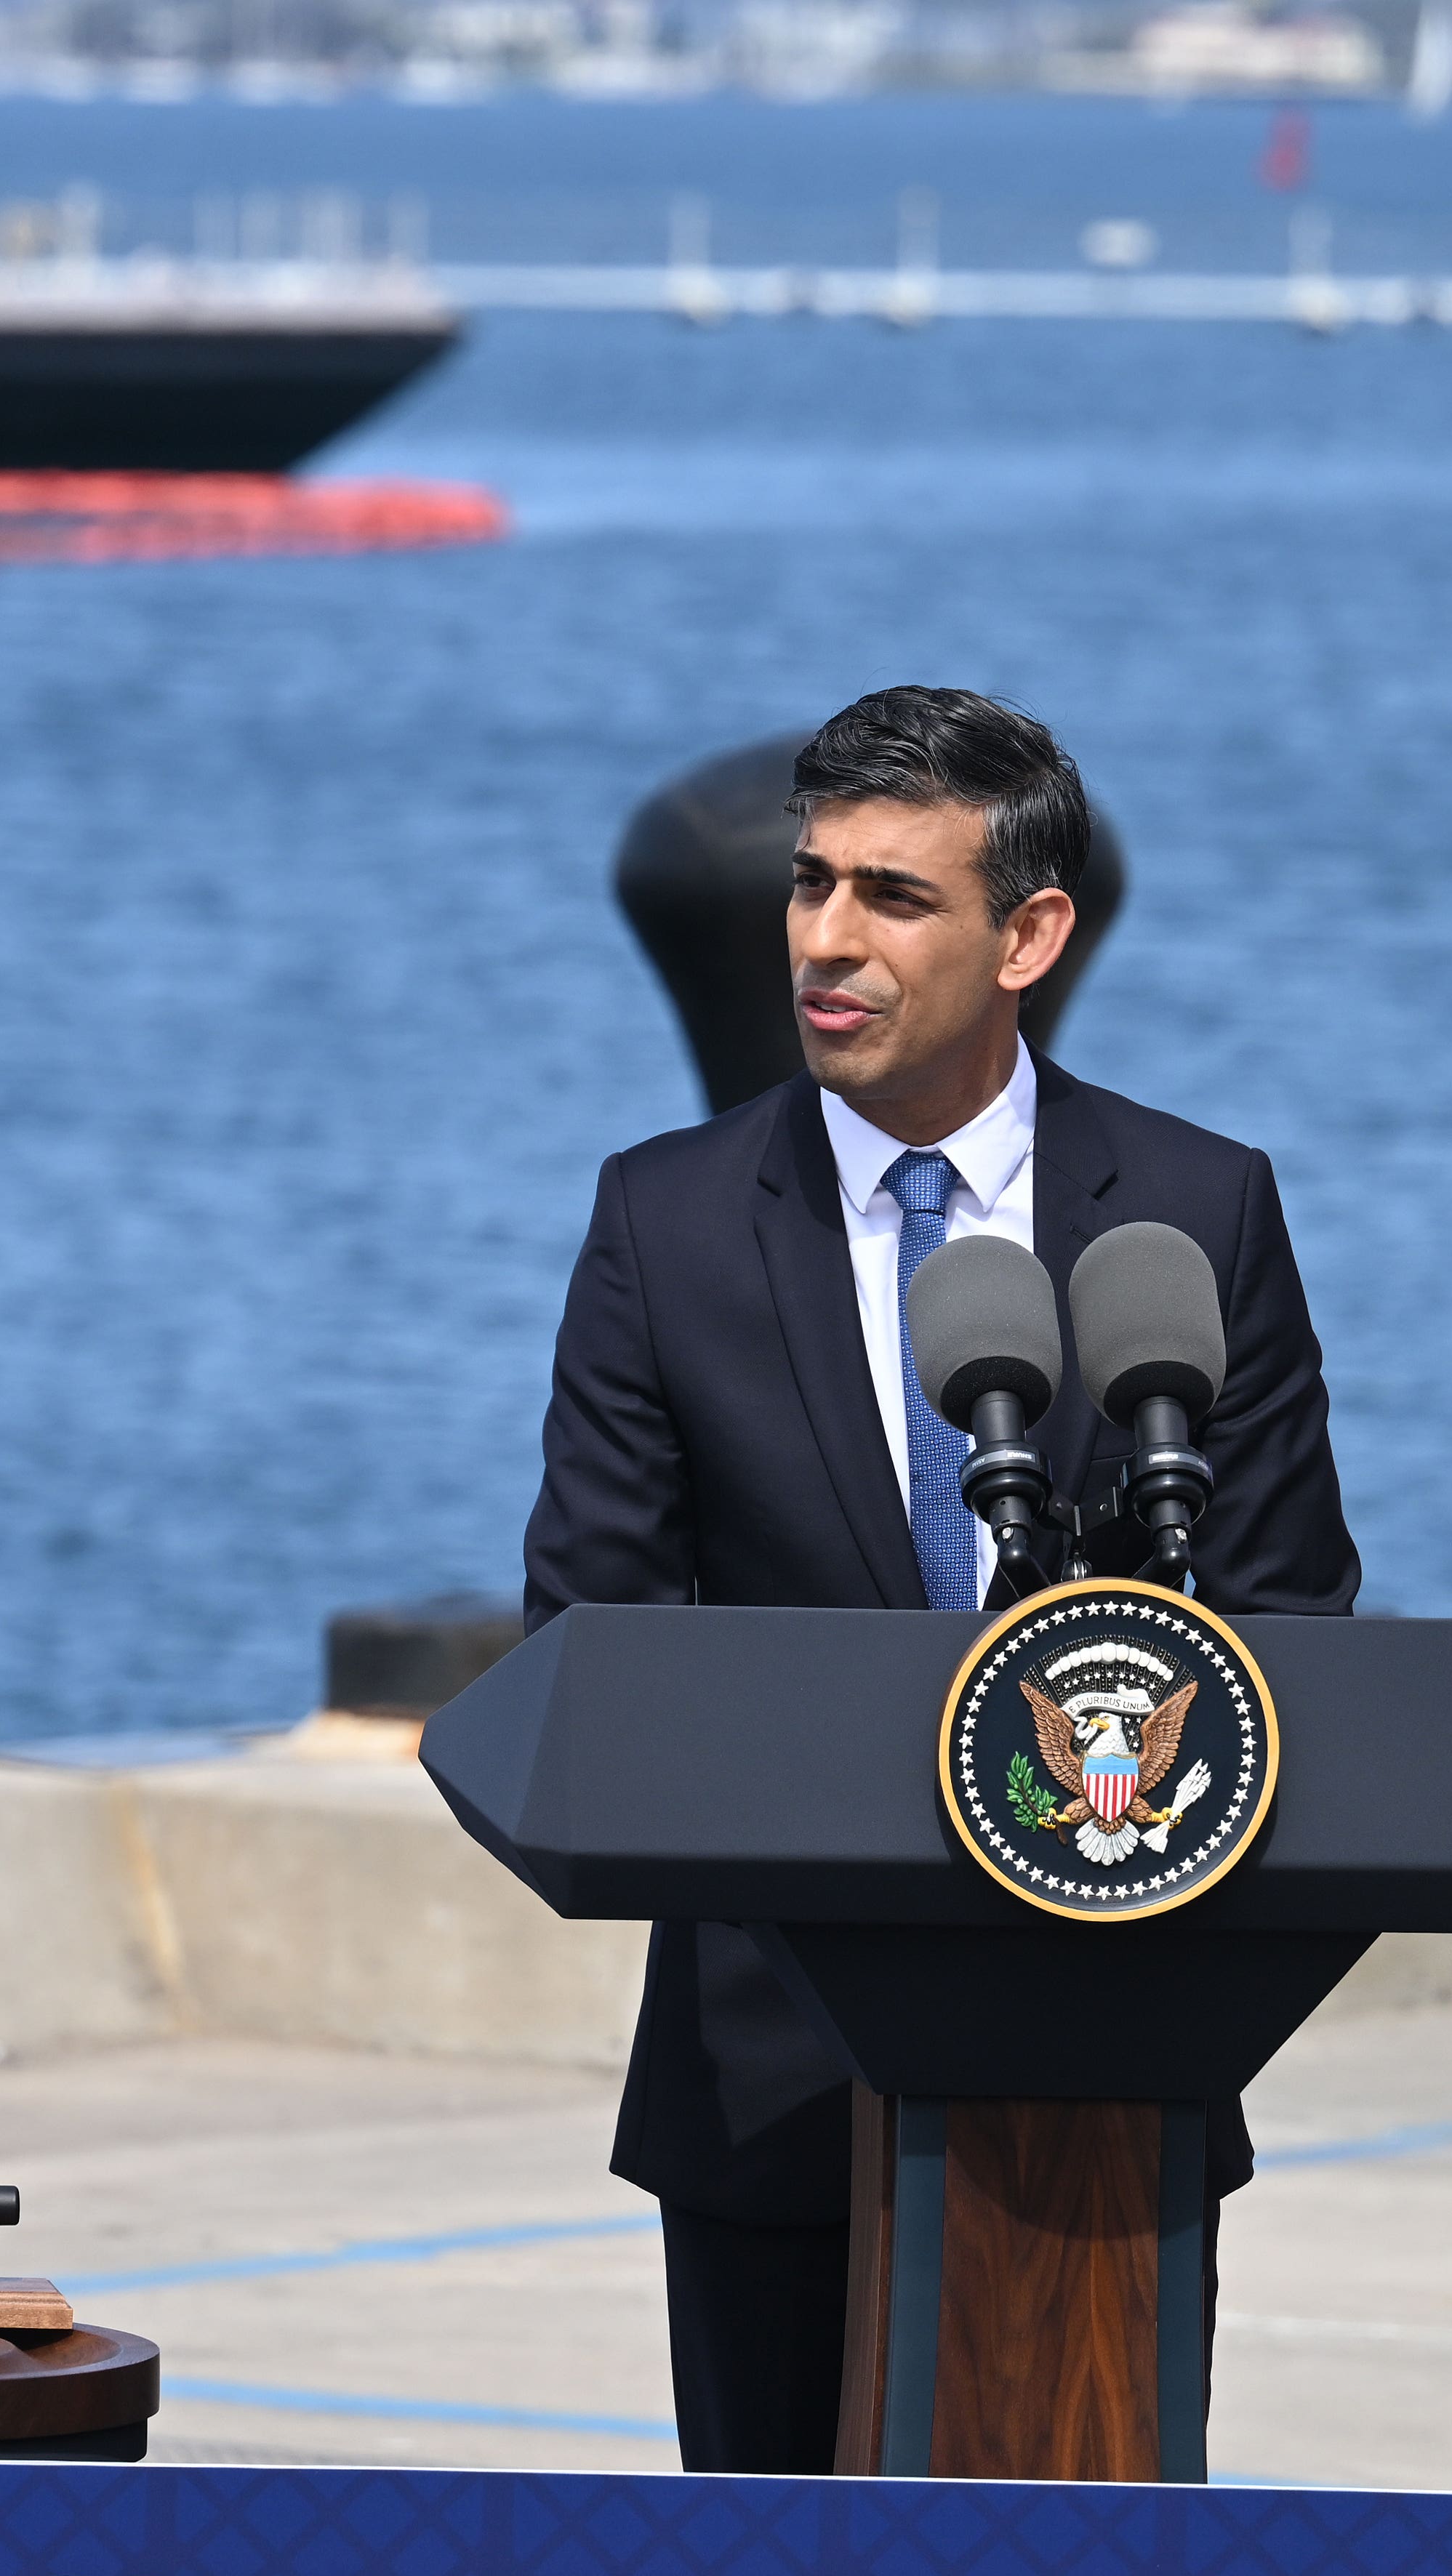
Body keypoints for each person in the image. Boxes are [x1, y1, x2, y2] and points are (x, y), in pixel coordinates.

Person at [520, 685, 1359, 2476]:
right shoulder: (662, 1221)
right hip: (765, 2072)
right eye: (809, 884)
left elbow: (1283, 1619)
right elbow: (592, 1638)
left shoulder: (1193, 1213)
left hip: (1111, 2060)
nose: (825, 940)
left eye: (892, 899)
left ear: (1028, 935)